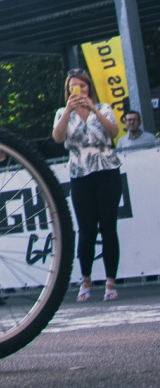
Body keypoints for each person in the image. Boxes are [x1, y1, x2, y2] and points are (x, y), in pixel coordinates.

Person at [52, 67, 122, 303]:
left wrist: (93, 110)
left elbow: (114, 132)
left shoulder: (104, 108)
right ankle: (86, 280)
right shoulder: (62, 112)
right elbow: (58, 137)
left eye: (83, 85)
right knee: (86, 229)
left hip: (107, 170)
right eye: (74, 86)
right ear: (68, 89)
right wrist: (69, 111)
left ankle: (110, 281)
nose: (79, 89)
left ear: (89, 87)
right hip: (80, 173)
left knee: (109, 227)